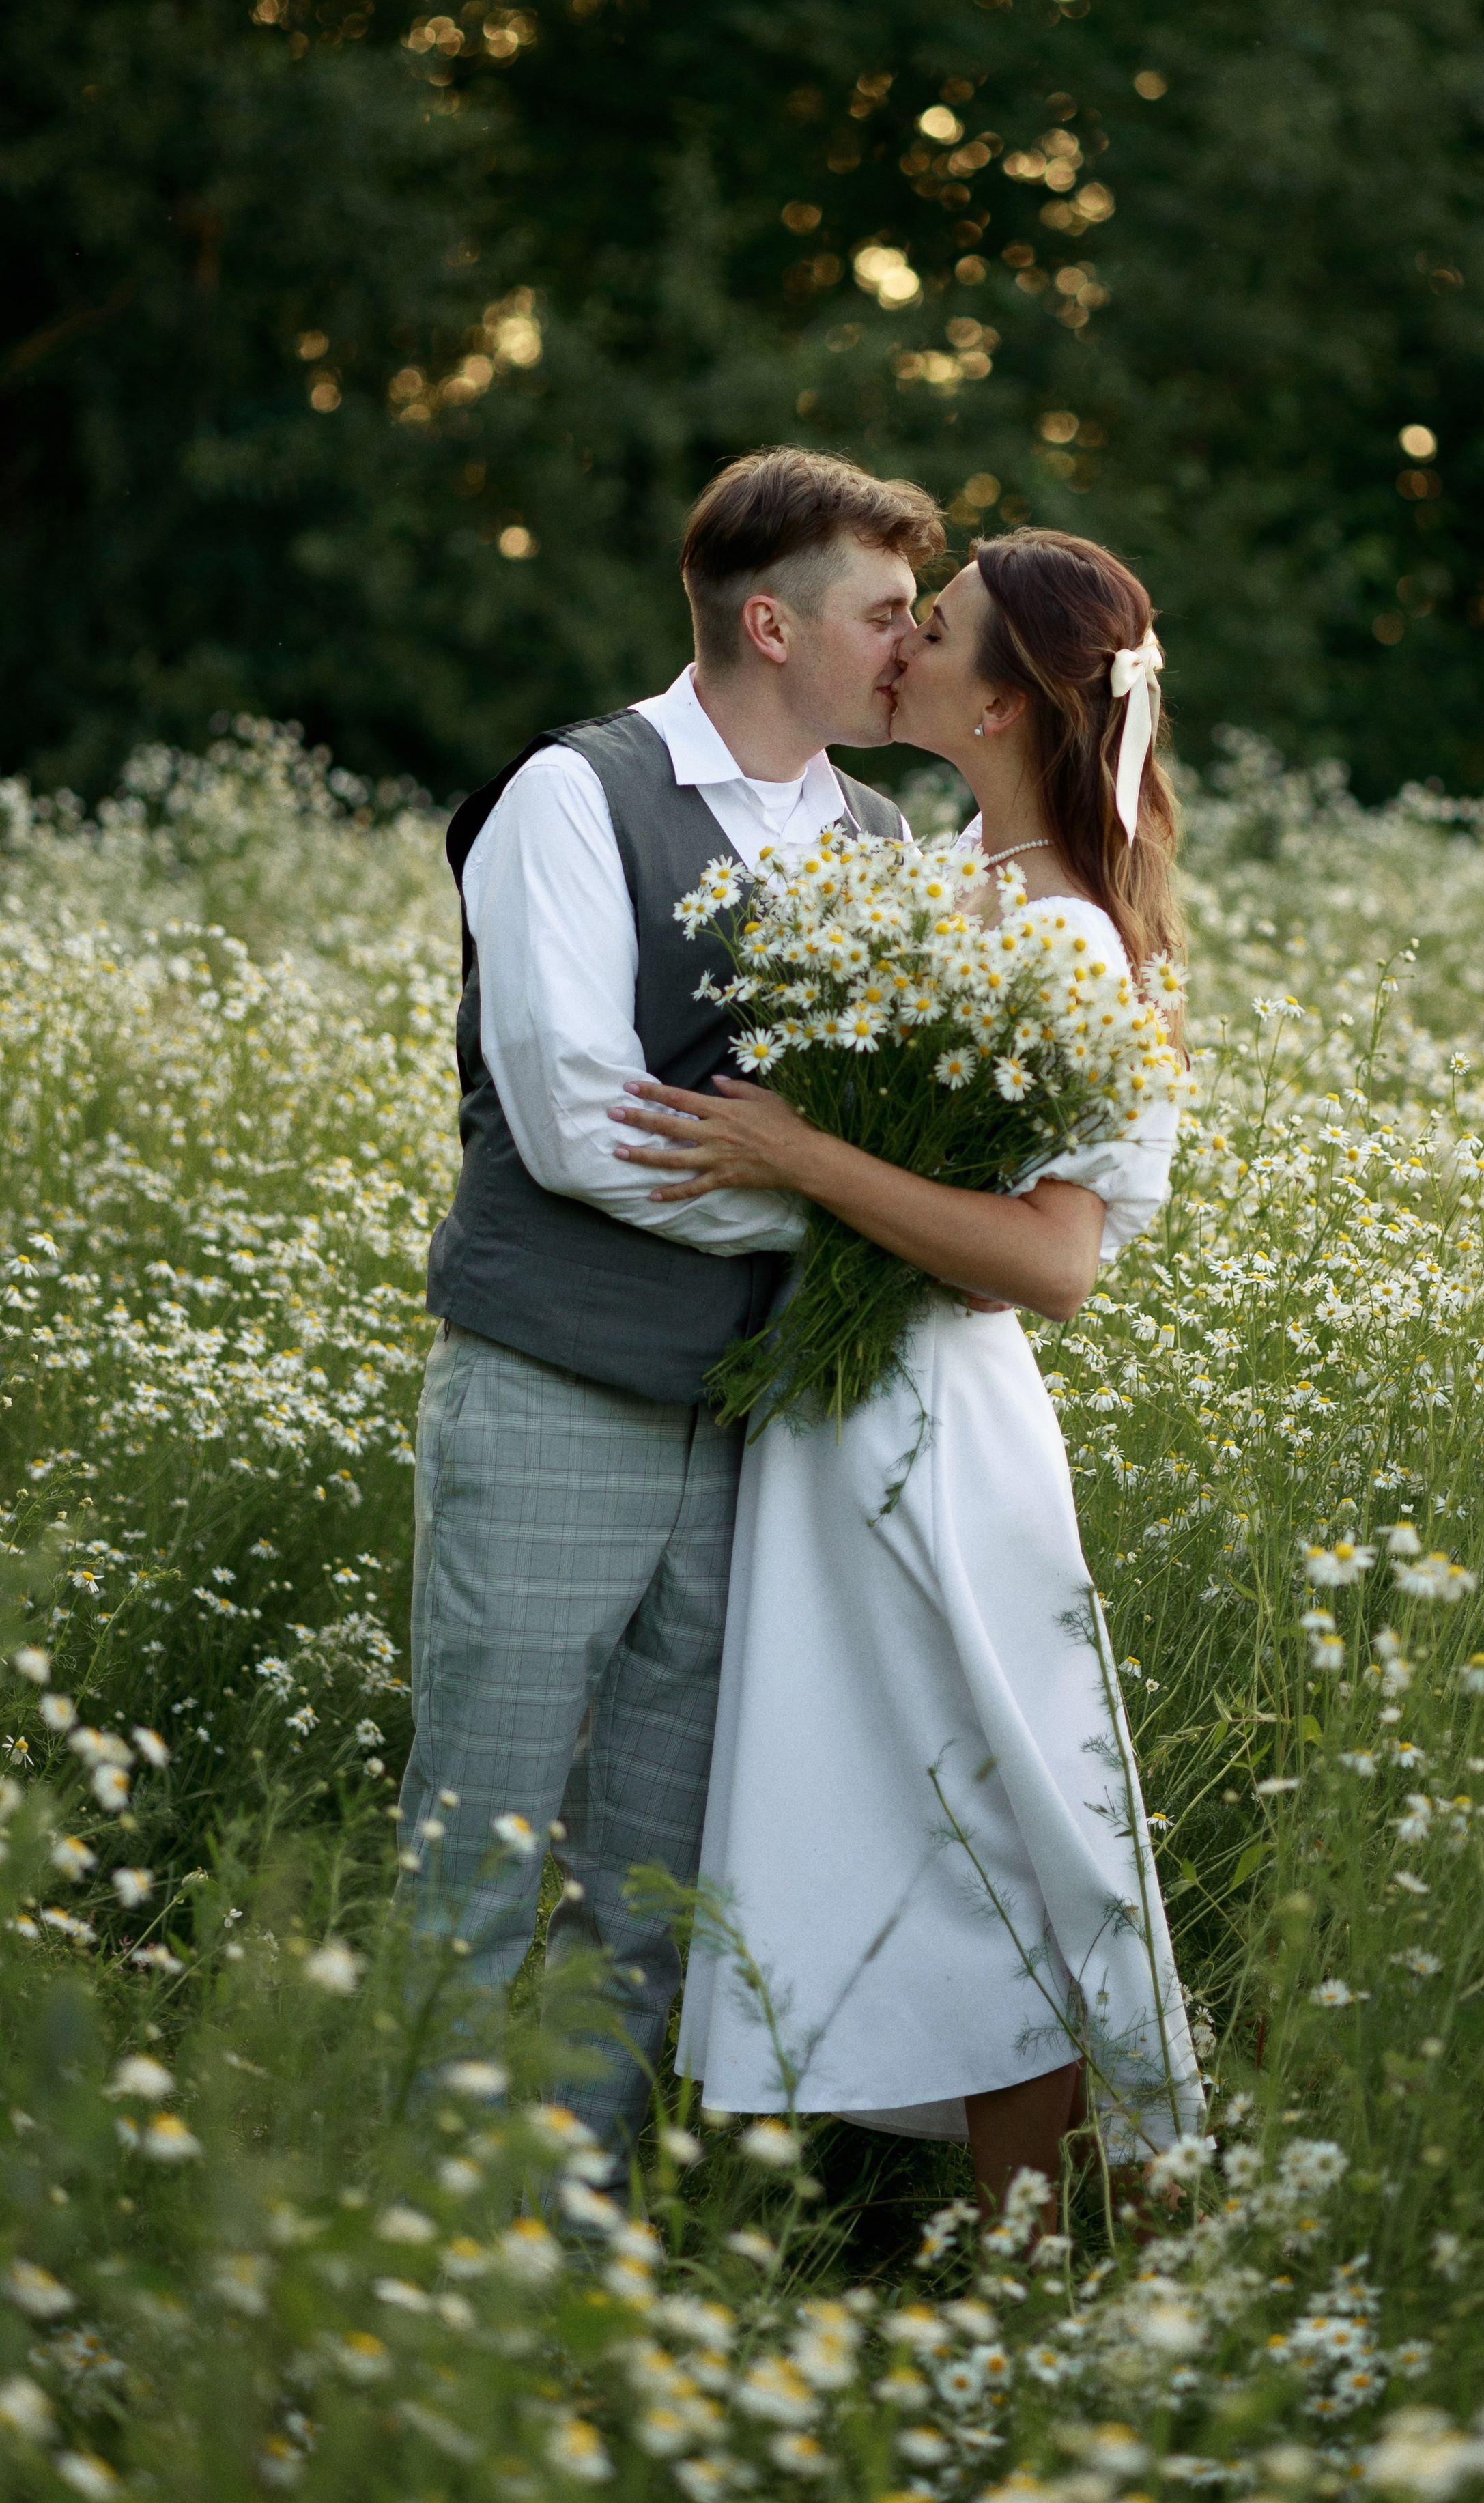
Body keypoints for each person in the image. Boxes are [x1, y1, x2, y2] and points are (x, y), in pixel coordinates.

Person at [615, 528, 1204, 2215]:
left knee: (997, 1840)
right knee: (913, 1824)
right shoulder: (949, 877)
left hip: (939, 1432)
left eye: (927, 632)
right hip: (847, 1415)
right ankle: (1010, 2259)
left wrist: (799, 1161)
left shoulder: (1074, 943)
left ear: (1005, 700)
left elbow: (1050, 1262)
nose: (896, 650)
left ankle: (1074, 2264)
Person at [397, 448, 944, 2179]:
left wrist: (862, 1193)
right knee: (477, 1850)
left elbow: (897, 1116)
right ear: (769, 622)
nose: (910, 649)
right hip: (559, 1388)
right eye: (882, 614)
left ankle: (563, 2239)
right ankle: (416, 2253)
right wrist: (837, 1197)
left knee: (651, 1877)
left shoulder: (879, 834)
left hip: (765, 1428)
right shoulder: (575, 794)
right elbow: (579, 1124)